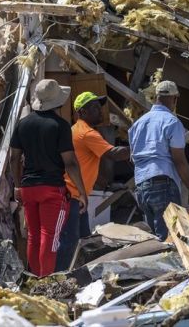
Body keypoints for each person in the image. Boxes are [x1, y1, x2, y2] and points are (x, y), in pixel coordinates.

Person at [10, 78, 88, 277]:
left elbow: (14, 158)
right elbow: (69, 162)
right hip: (52, 189)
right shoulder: (60, 126)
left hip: (28, 188)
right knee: (50, 237)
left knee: (33, 236)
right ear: (58, 102)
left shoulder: (22, 124)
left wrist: (17, 186)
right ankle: (45, 282)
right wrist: (81, 191)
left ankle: (35, 279)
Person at [55, 91, 130, 271]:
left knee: (83, 240)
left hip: (75, 196)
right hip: (71, 195)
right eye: (94, 108)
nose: (100, 111)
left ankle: (79, 275)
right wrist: (141, 143)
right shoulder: (86, 133)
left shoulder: (75, 130)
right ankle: (61, 277)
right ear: (81, 112)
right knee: (71, 241)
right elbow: (113, 154)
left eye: (100, 107)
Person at [128, 80, 189, 240]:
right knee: (171, 239)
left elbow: (132, 158)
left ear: (156, 97)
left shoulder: (137, 124)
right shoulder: (172, 122)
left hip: (141, 186)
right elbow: (179, 160)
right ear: (174, 99)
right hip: (163, 184)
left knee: (157, 239)